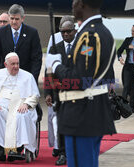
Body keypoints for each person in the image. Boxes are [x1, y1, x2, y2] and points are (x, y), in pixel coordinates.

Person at [45, 0, 116, 166]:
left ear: (83, 5)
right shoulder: (103, 32)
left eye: (75, 2)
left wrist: (56, 65)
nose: (72, 5)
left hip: (81, 114)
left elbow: (78, 79)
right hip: (94, 110)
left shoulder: (88, 36)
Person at [0, 52, 40, 161]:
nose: (16, 67)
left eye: (17, 64)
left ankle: (17, 149)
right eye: (13, 64)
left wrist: (26, 103)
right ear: (5, 64)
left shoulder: (28, 76)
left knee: (22, 116)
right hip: (2, 105)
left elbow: (35, 95)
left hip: (20, 105)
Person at [45, 15, 77, 166]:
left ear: (75, 31)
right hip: (60, 94)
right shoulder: (54, 48)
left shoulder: (84, 48)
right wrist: (48, 93)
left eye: (68, 32)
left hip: (79, 93)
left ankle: (76, 152)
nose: (65, 34)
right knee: (62, 124)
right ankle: (63, 152)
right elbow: (48, 72)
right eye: (63, 32)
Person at [0, 4, 42, 83]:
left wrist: (33, 79)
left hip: (25, 78)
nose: (14, 22)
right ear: (8, 17)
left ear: (23, 18)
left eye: (17, 19)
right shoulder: (0, 32)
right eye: (12, 18)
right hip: (5, 78)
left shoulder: (32, 33)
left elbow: (36, 59)